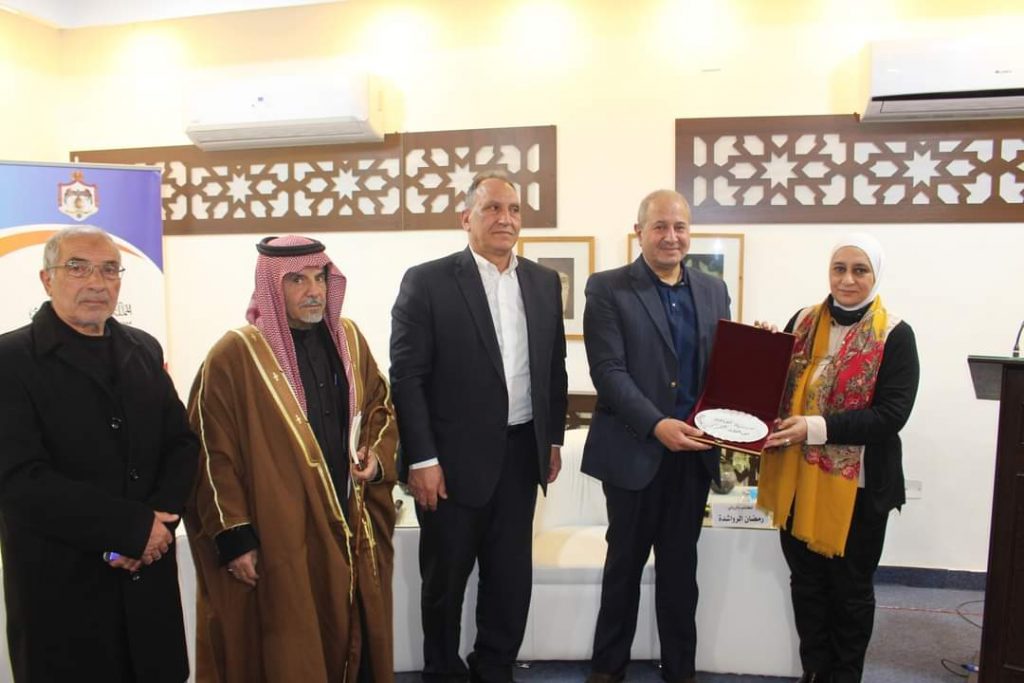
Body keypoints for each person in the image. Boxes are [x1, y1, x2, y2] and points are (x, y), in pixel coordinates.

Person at [184, 235, 398, 682]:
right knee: (291, 643)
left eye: (320, 278)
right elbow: (211, 453)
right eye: (297, 280)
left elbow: (381, 407)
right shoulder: (235, 356)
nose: (313, 291)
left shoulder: (349, 340)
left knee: (353, 635)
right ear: (270, 286)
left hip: (348, 517)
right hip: (280, 532)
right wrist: (235, 536)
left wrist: (376, 457)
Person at [390, 172, 568, 682]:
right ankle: (442, 672)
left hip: (520, 456)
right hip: (448, 466)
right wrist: (423, 459)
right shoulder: (427, 281)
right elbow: (407, 377)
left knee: (510, 581)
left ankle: (494, 668)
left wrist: (552, 440)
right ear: (466, 217)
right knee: (444, 583)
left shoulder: (542, 283)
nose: (505, 219)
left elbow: (553, 369)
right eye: (492, 208)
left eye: (513, 209)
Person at [0, 226, 198, 681]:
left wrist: (157, 527)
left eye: (110, 270)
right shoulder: (11, 361)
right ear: (47, 279)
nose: (96, 282)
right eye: (78, 268)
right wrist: (130, 529)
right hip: (63, 593)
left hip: (147, 583)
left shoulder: (143, 349)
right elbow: (19, 480)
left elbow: (181, 444)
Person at [582, 189, 731, 683]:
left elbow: (723, 366)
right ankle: (608, 670)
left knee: (680, 572)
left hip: (693, 455)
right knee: (623, 567)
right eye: (660, 226)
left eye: (680, 227)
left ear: (690, 233)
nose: (671, 236)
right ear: (639, 232)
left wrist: (757, 349)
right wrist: (656, 424)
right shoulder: (607, 288)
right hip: (634, 450)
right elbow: (608, 372)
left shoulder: (713, 290)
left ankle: (680, 671)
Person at [758, 233, 920, 683]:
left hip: (860, 491)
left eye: (859, 270)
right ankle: (814, 672)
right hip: (797, 480)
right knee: (807, 586)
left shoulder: (896, 334)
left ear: (875, 275)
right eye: (839, 269)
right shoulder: (803, 321)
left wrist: (814, 428)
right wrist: (764, 348)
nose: (847, 280)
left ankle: (845, 676)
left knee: (850, 592)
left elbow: (890, 415)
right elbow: (777, 385)